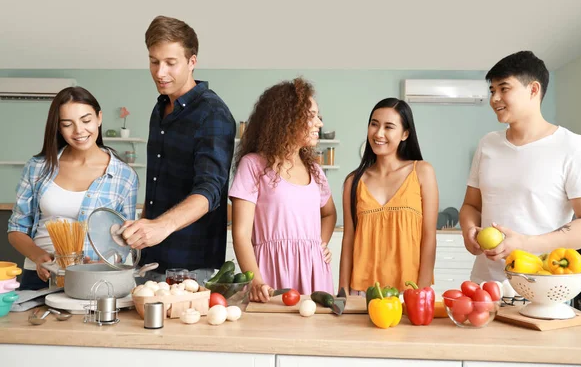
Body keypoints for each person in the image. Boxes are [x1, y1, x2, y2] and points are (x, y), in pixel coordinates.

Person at [459, 50, 581, 283]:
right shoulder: (487, 144)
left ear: (533, 90)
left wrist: (526, 244)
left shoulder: (573, 146)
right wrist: (469, 229)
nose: (494, 98)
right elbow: (471, 205)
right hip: (484, 285)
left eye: (504, 89)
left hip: (544, 285)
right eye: (492, 90)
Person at [120, 16, 236, 284]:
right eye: (154, 61)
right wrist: (142, 226)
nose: (160, 72)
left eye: (171, 63)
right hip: (149, 260)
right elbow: (162, 184)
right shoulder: (160, 108)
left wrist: (162, 226)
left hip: (190, 268)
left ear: (192, 62)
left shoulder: (213, 113)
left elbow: (210, 191)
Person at [8, 86, 138, 290]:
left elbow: (125, 239)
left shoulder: (124, 176)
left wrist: (104, 265)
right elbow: (16, 230)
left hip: (96, 280)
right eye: (68, 124)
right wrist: (39, 257)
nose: (79, 131)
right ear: (59, 128)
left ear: (99, 118)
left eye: (86, 121)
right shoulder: (37, 167)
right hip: (42, 277)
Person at [229, 78, 336, 302]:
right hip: (270, 274)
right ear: (287, 119)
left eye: (318, 116)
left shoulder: (315, 170)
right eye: (311, 116)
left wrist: (321, 244)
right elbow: (241, 234)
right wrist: (255, 280)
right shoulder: (253, 165)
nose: (319, 123)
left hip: (315, 273)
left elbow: (329, 213)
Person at [338, 98, 438, 295]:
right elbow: (348, 240)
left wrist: (422, 291)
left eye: (389, 127)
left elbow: (429, 237)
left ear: (405, 134)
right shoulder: (353, 181)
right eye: (374, 124)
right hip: (362, 291)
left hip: (408, 291)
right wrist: (342, 293)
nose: (378, 133)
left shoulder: (422, 172)